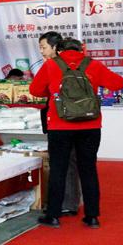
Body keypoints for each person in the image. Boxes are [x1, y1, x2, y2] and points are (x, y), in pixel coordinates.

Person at [30, 37, 123, 229]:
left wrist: (54, 92)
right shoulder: (94, 65)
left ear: (59, 50)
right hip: (90, 125)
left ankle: (53, 215)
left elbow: (35, 90)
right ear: (81, 50)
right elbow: (118, 83)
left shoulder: (51, 65)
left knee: (58, 170)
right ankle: (92, 216)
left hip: (59, 126)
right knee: (88, 170)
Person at [37, 31, 80, 217]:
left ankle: (58, 205)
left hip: (59, 120)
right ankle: (71, 203)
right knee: (72, 162)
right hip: (80, 119)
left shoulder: (52, 65)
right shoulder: (79, 63)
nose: (41, 51)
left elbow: (36, 89)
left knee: (59, 164)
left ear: (55, 47)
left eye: (44, 47)